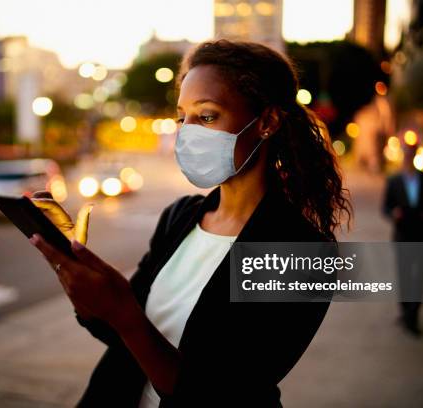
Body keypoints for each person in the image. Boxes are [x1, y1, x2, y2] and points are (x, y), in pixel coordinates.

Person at [29, 39, 351, 407]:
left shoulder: (303, 251)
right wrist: (79, 280)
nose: (187, 132)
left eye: (207, 116)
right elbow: (122, 335)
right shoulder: (180, 216)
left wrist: (124, 312)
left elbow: (218, 394)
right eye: (183, 117)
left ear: (267, 121)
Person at [382, 142, 423, 336]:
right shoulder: (394, 181)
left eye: (411, 154)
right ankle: (406, 311)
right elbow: (385, 208)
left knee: (419, 278)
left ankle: (412, 315)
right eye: (406, 154)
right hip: (402, 236)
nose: (408, 157)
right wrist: (394, 213)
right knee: (405, 276)